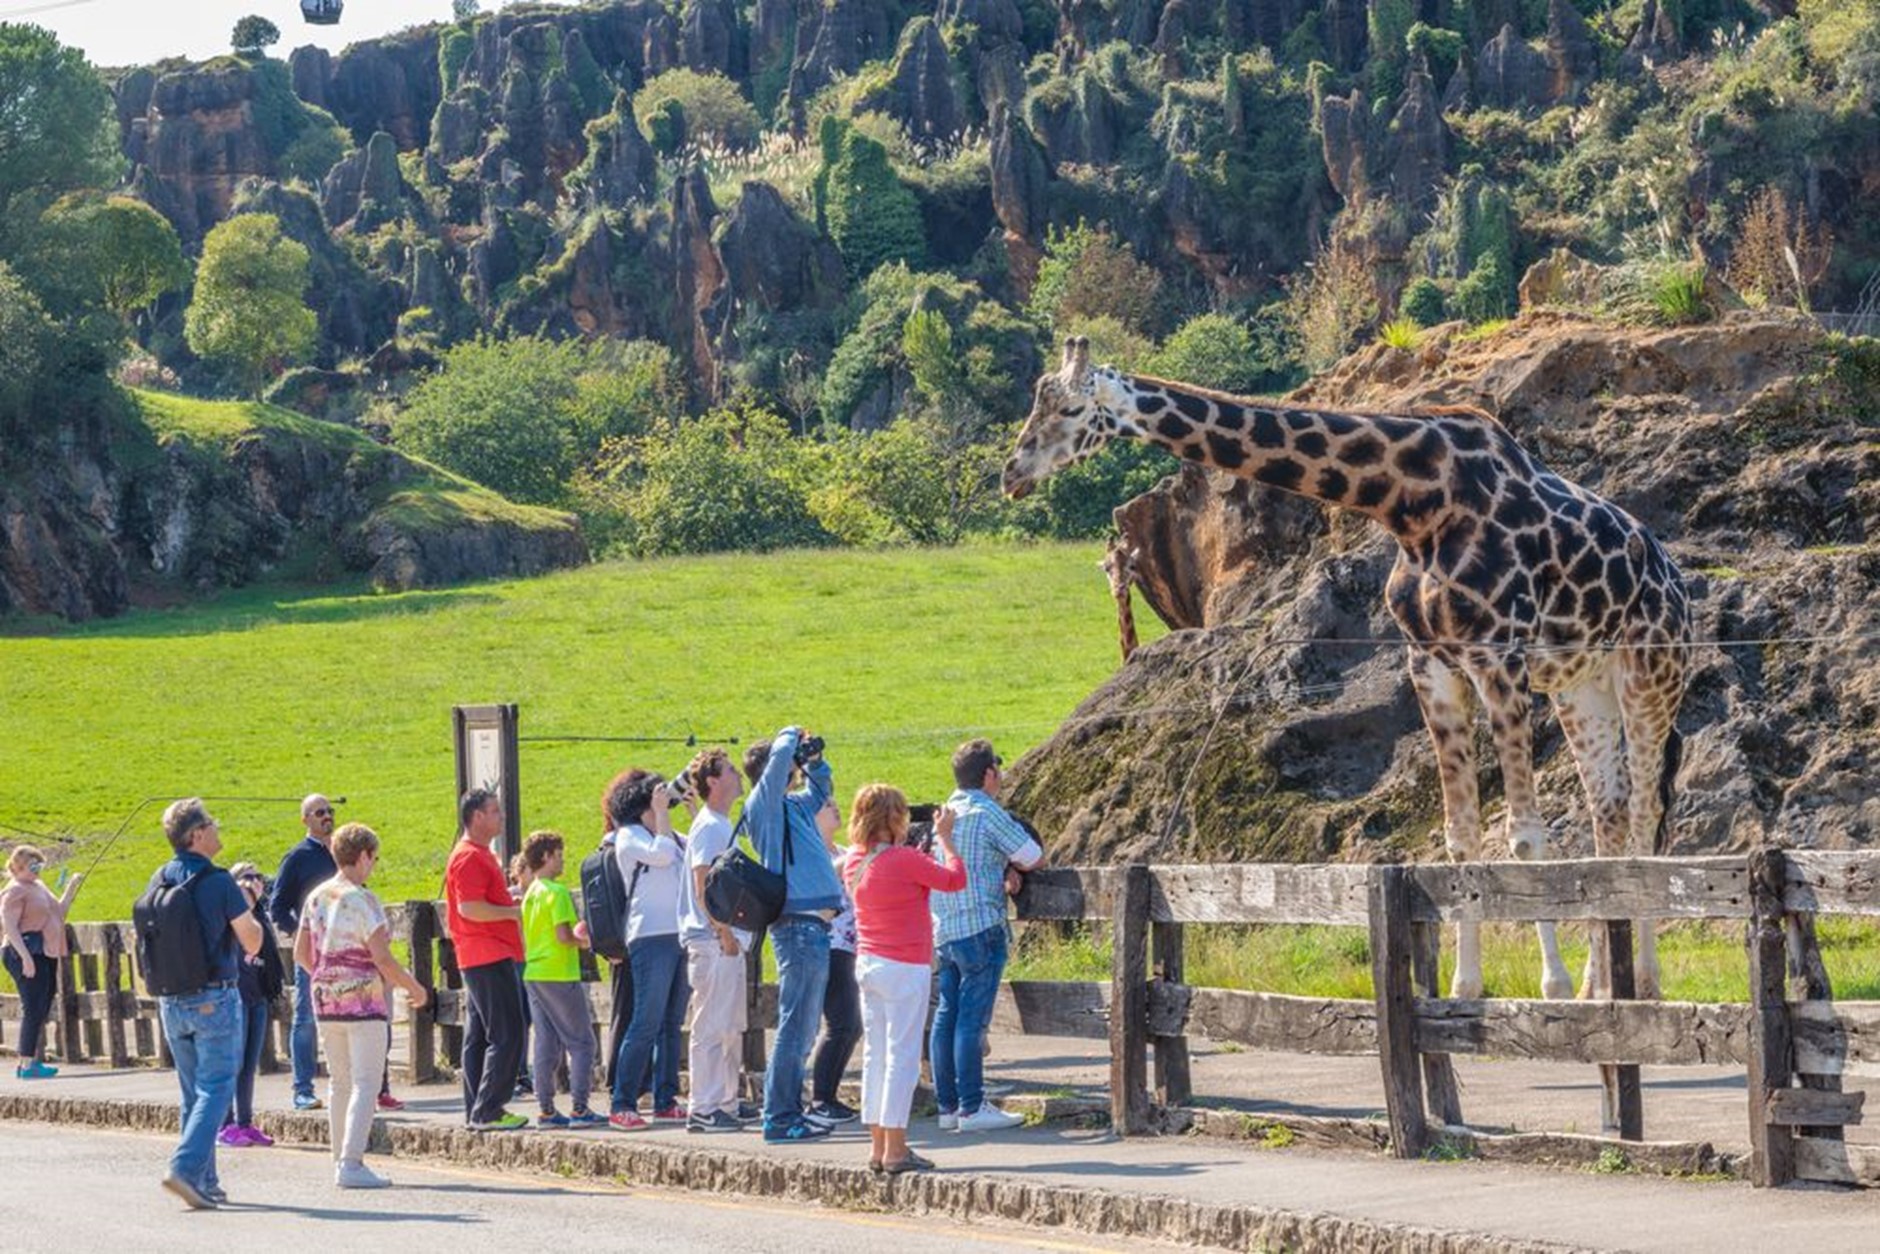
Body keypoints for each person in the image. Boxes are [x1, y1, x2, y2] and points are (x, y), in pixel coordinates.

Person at [294, 823, 429, 1189]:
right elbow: (382, 958)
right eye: (374, 857)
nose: (374, 865)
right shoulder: (364, 900)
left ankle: (341, 1158)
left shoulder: (316, 897)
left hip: (325, 999)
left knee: (339, 1083)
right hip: (363, 1003)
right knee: (366, 1083)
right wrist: (413, 987)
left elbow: (301, 953)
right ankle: (352, 1163)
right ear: (364, 855)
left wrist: (327, 975)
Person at [844, 785, 966, 1173]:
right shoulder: (904, 859)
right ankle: (897, 1148)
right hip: (904, 965)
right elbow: (954, 879)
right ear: (895, 819)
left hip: (869, 962)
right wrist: (945, 839)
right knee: (903, 1059)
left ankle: (878, 1145)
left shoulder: (854, 862)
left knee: (876, 1056)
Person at [150, 798, 262, 1210]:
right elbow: (251, 940)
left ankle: (204, 1180)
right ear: (196, 835)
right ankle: (183, 1167)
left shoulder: (158, 878)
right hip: (214, 995)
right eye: (211, 824)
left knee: (191, 1094)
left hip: (171, 1000)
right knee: (217, 1087)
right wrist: (248, 906)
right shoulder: (218, 882)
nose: (217, 829)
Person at [930, 740, 1044, 1134]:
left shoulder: (946, 813)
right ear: (989, 774)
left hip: (945, 928)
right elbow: (1032, 855)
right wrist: (1010, 867)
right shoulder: (986, 812)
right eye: (998, 765)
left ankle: (947, 1105)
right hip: (980, 925)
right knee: (971, 1021)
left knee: (947, 1016)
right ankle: (972, 1106)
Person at [744, 726, 844, 1143]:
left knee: (801, 1027)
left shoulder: (793, 806)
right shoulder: (763, 805)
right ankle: (780, 1116)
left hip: (813, 928)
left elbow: (820, 789)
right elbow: (777, 764)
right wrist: (790, 733)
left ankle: (786, 1111)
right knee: (796, 1027)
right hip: (798, 926)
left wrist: (815, 761)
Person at [607, 769, 690, 1130]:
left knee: (671, 1023)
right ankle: (622, 1101)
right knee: (646, 1021)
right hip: (650, 936)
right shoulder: (627, 837)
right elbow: (661, 854)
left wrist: (686, 811)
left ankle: (665, 1098)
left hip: (678, 933)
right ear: (643, 806)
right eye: (656, 801)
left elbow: (694, 854)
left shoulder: (664, 833)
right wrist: (663, 816)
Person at [445, 787, 528, 1132]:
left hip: (480, 952)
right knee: (509, 1031)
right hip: (488, 951)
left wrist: (506, 899)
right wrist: (513, 911)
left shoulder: (477, 854)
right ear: (477, 816)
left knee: (479, 1036)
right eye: (495, 811)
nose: (501, 817)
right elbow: (470, 908)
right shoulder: (470, 856)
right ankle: (490, 1108)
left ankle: (477, 1109)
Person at [677, 747, 751, 1133]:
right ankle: (703, 1105)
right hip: (712, 939)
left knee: (728, 1024)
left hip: (724, 938)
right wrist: (722, 930)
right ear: (713, 781)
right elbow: (702, 881)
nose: (738, 775)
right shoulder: (709, 826)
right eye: (730, 770)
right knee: (710, 1025)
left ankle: (725, 1100)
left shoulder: (718, 822)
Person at [520, 830, 604, 1128]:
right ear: (545, 857)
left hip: (535, 972)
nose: (562, 860)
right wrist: (586, 941)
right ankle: (580, 1108)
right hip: (559, 972)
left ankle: (546, 1109)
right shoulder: (557, 892)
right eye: (558, 854)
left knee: (546, 1043)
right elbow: (563, 936)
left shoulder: (531, 892)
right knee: (582, 1042)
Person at [267, 794, 337, 1111]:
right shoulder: (296, 857)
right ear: (305, 819)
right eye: (320, 812)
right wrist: (300, 935)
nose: (327, 816)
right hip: (311, 951)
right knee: (306, 1019)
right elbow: (277, 906)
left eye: (330, 811)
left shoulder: (341, 853)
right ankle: (303, 1089)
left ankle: (354, 1086)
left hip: (344, 949)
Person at [1, 844, 82, 1079]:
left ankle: (28, 1062)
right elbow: (9, 927)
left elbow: (60, 911)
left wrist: (72, 886)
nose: (37, 870)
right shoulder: (14, 891)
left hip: (43, 952)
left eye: (40, 865)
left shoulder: (38, 887)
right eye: (32, 865)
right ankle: (26, 1065)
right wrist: (25, 958)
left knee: (42, 1005)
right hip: (25, 951)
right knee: (33, 1006)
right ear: (17, 868)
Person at [219, 863, 284, 1148]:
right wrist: (243, 893)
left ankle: (245, 1122)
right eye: (247, 878)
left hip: (257, 996)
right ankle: (226, 1124)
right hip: (236, 997)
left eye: (257, 877)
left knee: (248, 1065)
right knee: (232, 1063)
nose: (254, 883)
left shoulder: (260, 917)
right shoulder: (230, 917)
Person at [807, 797, 861, 1127]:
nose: (836, 807)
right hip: (829, 944)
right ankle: (820, 1098)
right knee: (842, 1023)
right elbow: (825, 879)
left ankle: (828, 1096)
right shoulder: (815, 854)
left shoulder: (842, 850)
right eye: (827, 806)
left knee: (851, 1026)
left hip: (852, 946)